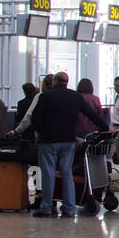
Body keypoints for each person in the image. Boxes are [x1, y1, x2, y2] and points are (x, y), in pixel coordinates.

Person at [30, 73, 106, 218]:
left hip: (48, 140)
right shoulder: (75, 96)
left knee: (48, 173)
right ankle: (69, 209)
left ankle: (46, 208)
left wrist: (42, 131)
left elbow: (35, 119)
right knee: (67, 173)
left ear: (55, 81)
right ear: (67, 82)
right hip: (68, 141)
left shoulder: (45, 97)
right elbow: (91, 114)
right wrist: (104, 127)